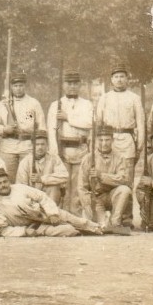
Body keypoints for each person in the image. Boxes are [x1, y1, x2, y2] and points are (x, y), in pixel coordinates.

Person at [0, 168, 103, 237]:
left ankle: (98, 228)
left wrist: (52, 213)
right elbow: (3, 229)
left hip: (43, 213)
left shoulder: (19, 188)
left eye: (5, 181)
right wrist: (24, 232)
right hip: (34, 228)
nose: (3, 185)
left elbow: (42, 197)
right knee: (69, 231)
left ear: (9, 181)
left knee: (74, 219)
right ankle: (81, 232)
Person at [47, 70, 94, 216]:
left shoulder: (87, 104)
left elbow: (89, 123)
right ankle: (63, 216)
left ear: (80, 85)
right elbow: (51, 130)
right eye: (69, 83)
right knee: (64, 187)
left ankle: (76, 217)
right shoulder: (55, 105)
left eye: (75, 83)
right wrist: (55, 154)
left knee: (78, 188)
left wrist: (68, 117)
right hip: (63, 152)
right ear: (64, 85)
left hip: (81, 150)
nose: (72, 86)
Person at [95, 61, 145, 187]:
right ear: (111, 79)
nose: (119, 80)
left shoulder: (134, 98)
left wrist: (139, 146)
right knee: (108, 176)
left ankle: (126, 204)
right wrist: (98, 143)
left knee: (127, 178)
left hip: (127, 141)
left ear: (127, 79)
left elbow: (140, 123)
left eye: (122, 76)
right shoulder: (105, 98)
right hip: (109, 140)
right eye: (116, 77)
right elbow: (98, 122)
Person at [78, 126, 132, 234]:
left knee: (124, 189)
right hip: (97, 198)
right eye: (101, 140)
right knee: (100, 227)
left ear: (112, 140)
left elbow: (125, 179)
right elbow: (81, 187)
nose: (104, 143)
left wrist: (101, 176)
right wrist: (87, 204)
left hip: (113, 196)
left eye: (107, 140)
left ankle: (115, 221)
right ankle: (104, 221)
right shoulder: (88, 159)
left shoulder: (120, 157)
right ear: (96, 141)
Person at [0, 70, 45, 181]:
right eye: (15, 85)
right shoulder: (3, 104)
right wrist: (4, 129)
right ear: (11, 87)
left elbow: (41, 126)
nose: (18, 88)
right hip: (8, 147)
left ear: (25, 86)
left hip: (27, 146)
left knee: (27, 178)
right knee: (8, 178)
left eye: (21, 85)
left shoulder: (33, 103)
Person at [15, 130, 70, 207]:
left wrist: (42, 179)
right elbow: (21, 186)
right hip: (32, 198)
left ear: (47, 145)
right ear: (32, 145)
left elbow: (64, 176)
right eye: (37, 144)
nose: (40, 147)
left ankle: (51, 214)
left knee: (54, 186)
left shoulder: (54, 158)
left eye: (43, 144)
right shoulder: (25, 162)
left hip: (50, 198)